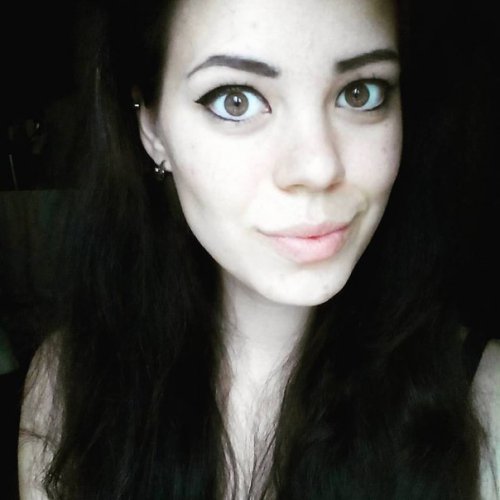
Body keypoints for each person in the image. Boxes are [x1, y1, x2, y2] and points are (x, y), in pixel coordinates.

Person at [18, 0, 500, 498]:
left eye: (361, 93)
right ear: (153, 130)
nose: (318, 168)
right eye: (236, 100)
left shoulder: (486, 403)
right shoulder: (67, 391)